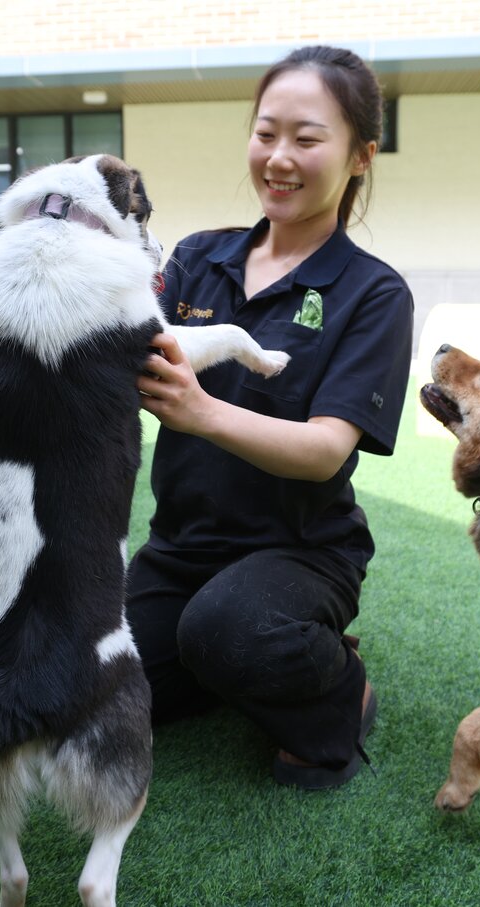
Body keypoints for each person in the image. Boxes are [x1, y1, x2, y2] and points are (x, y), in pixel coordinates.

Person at [129, 45, 415, 789]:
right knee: (89, 685)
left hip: (302, 549)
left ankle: (339, 691)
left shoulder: (373, 293)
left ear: (360, 156)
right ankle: (232, 656)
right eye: (265, 133)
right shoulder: (198, 257)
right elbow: (119, 350)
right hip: (181, 549)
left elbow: (326, 451)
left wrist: (201, 411)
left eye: (308, 138)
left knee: (230, 628)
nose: (278, 158)